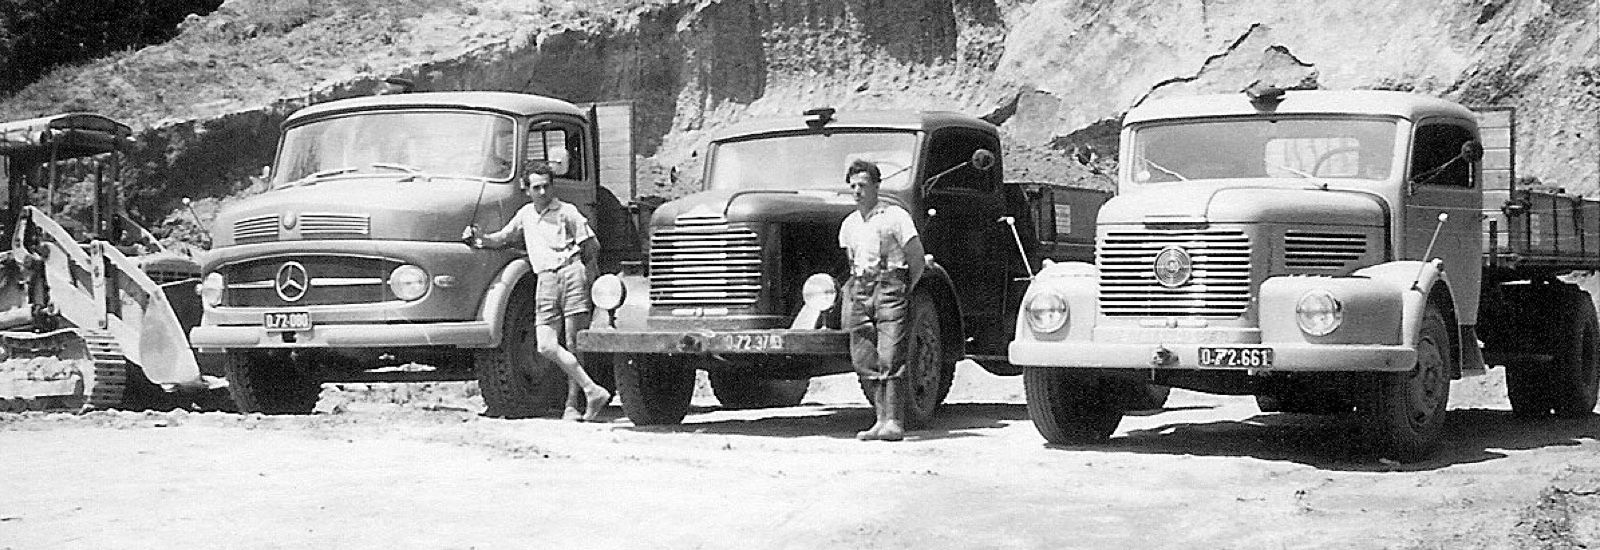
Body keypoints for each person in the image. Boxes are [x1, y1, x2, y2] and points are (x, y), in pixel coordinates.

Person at [467, 164, 611, 421]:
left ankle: (572, 404)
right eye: (536, 187)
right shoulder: (525, 215)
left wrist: (586, 276)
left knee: (573, 342)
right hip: (545, 279)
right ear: (526, 190)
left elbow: (591, 246)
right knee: (546, 345)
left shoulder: (567, 212)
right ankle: (592, 389)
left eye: (546, 185)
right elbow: (502, 238)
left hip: (571, 274)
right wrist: (478, 239)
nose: (542, 191)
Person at [839, 159, 926, 441]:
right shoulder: (849, 225)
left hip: (891, 286)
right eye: (852, 186)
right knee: (864, 357)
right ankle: (879, 420)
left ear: (877, 186)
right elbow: (849, 263)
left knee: (891, 354)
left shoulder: (895, 216)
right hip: (861, 289)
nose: (857, 191)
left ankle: (894, 421)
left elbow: (916, 258)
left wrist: (902, 289)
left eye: (863, 185)